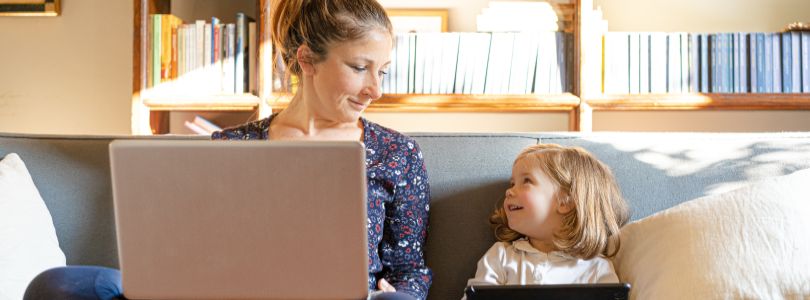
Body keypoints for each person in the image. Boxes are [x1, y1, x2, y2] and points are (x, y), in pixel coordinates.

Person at [25, 1, 431, 299]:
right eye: (360, 68)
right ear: (307, 60)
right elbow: (188, 252)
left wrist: (396, 293)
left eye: (382, 71)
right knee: (57, 286)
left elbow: (411, 269)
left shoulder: (396, 155)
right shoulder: (229, 148)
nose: (375, 89)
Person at [463, 144, 629, 298]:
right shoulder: (501, 256)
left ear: (565, 201)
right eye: (512, 183)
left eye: (526, 181)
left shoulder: (597, 269)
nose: (509, 191)